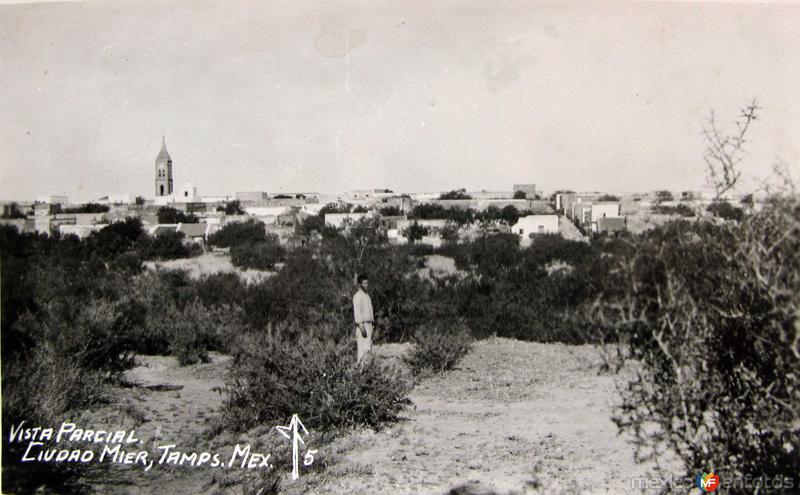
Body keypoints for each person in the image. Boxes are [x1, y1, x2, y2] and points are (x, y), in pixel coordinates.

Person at [352, 273, 374, 364]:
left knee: (368, 350)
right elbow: (357, 312)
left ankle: (366, 374)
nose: (366, 285)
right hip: (363, 327)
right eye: (365, 283)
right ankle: (360, 375)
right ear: (360, 284)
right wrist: (361, 327)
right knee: (362, 352)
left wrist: (372, 325)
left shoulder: (367, 296)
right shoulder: (357, 296)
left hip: (369, 325)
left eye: (367, 283)